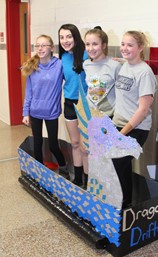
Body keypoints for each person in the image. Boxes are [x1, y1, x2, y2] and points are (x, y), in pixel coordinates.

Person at [112, 31, 158, 208]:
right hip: (119, 124)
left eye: (130, 45)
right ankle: (123, 205)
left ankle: (125, 206)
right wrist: (123, 61)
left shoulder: (145, 73)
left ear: (140, 48)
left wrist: (122, 133)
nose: (124, 48)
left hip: (136, 129)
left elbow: (143, 109)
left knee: (119, 163)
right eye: (123, 44)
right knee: (119, 166)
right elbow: (130, 69)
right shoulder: (126, 66)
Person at [22, 34, 69, 179]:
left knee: (53, 145)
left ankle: (64, 169)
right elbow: (28, 92)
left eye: (44, 45)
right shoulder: (33, 67)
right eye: (37, 46)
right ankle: (39, 172)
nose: (40, 48)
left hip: (52, 112)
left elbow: (75, 69)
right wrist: (26, 113)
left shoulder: (59, 65)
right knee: (37, 143)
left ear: (52, 48)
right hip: (35, 111)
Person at [58, 24, 88, 188]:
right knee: (75, 143)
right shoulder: (62, 58)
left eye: (69, 36)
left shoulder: (87, 54)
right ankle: (77, 180)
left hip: (85, 106)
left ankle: (88, 181)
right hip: (69, 103)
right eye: (62, 37)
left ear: (76, 37)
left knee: (85, 146)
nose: (65, 40)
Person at [83, 27, 121, 117]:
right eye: (87, 44)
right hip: (90, 114)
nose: (90, 48)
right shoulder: (86, 64)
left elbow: (121, 94)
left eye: (95, 44)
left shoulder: (114, 65)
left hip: (108, 116)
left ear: (104, 45)